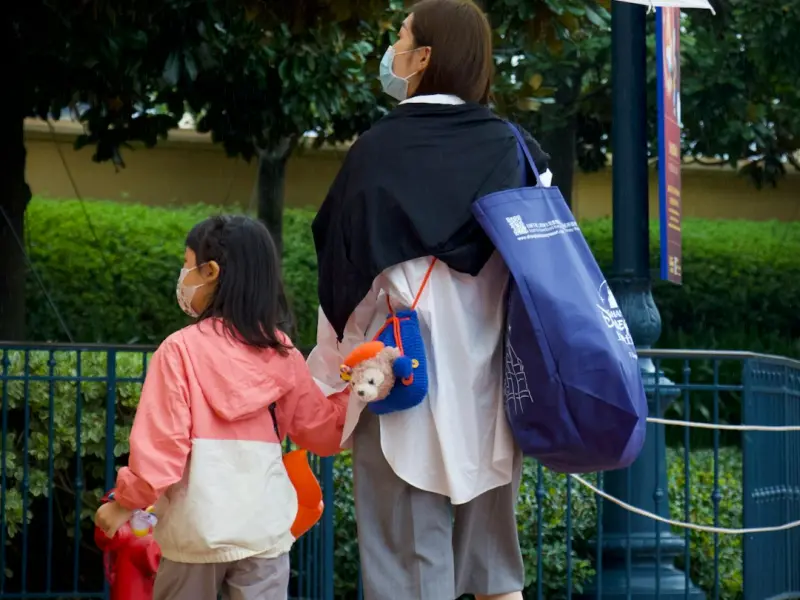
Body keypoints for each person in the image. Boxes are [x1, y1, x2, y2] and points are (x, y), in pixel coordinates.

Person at [307, 1, 553, 599]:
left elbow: (350, 280)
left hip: (399, 385)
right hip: (495, 392)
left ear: (423, 58)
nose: (392, 47)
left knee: (408, 573)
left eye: (401, 36)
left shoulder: (378, 152)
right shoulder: (516, 150)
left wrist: (331, 378)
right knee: (496, 574)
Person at [94, 215, 348, 600]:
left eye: (187, 264)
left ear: (210, 271)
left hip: (195, 533)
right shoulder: (283, 354)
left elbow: (163, 448)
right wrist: (360, 389)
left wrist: (125, 503)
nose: (183, 276)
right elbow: (324, 432)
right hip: (263, 532)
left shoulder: (180, 350)